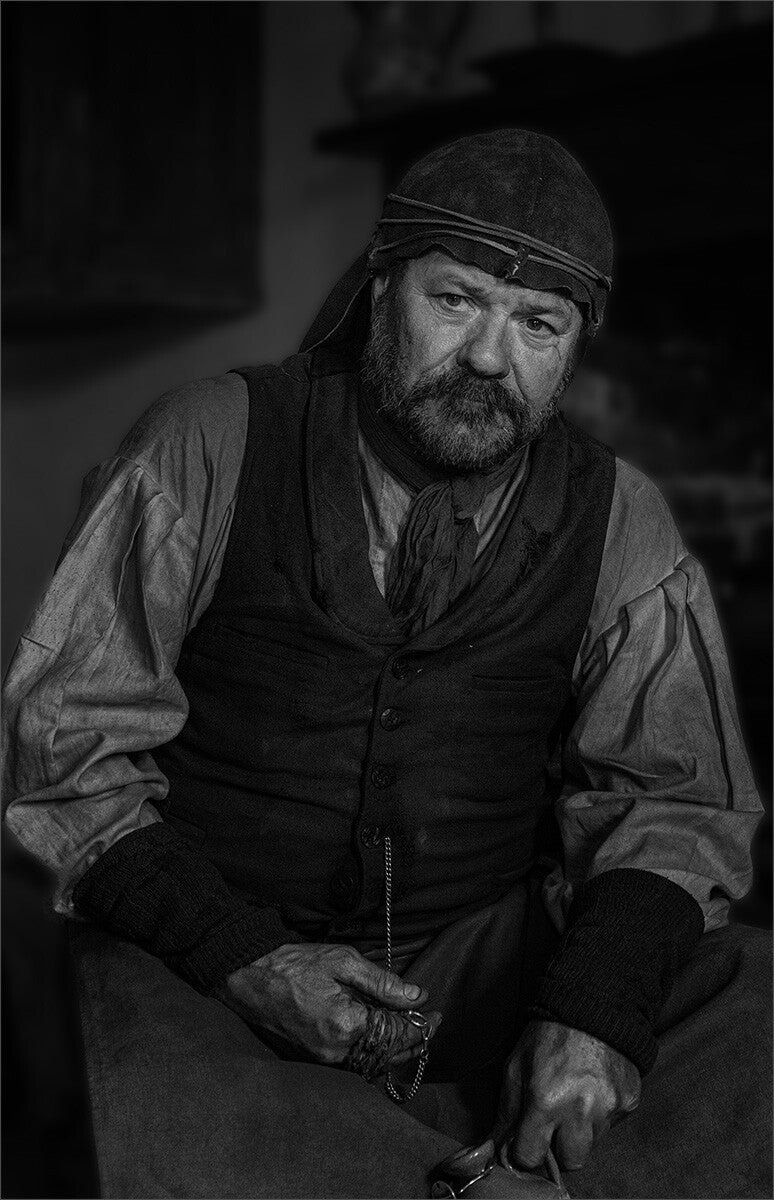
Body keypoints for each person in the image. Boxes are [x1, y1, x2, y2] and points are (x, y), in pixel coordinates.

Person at [2, 129, 770, 1200]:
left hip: (479, 952)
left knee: (750, 1002)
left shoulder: (620, 517)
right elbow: (67, 754)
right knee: (187, 1124)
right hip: (213, 960)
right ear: (380, 292)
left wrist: (594, 1010)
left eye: (537, 324)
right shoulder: (207, 440)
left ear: (572, 350)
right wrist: (249, 959)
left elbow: (676, 799)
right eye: (455, 300)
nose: (490, 358)